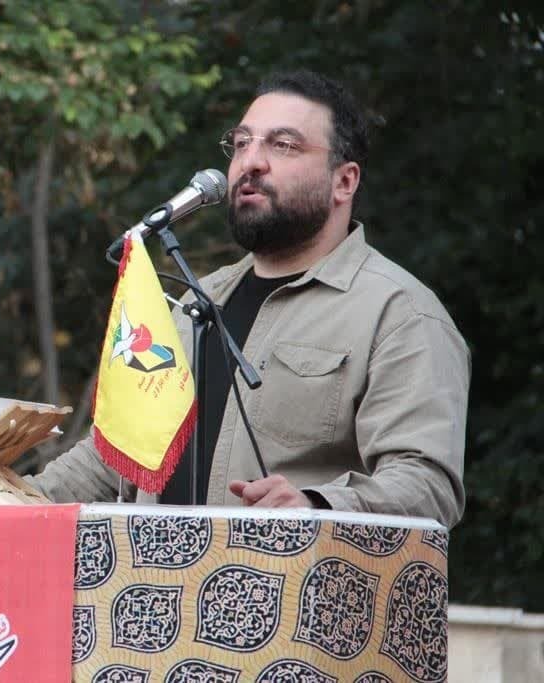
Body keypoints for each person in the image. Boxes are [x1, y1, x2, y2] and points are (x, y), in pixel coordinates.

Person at [29, 70, 470, 529]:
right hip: (150, 575)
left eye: (284, 145)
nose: (251, 162)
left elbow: (428, 485)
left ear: (344, 181)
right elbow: (114, 459)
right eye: (241, 144)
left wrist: (316, 507)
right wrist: (1, 500)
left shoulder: (399, 314)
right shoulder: (195, 304)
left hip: (293, 575)